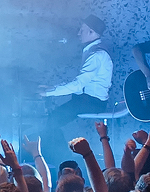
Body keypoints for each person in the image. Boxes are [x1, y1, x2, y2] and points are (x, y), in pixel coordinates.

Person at [40, 15, 113, 163]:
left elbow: (78, 84)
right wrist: (53, 88)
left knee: (53, 120)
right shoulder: (93, 51)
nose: (79, 33)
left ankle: (60, 160)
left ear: (92, 32)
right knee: (53, 119)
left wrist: (49, 92)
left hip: (92, 102)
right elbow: (80, 84)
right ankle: (57, 158)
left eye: (82, 30)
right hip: (87, 99)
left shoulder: (96, 55)